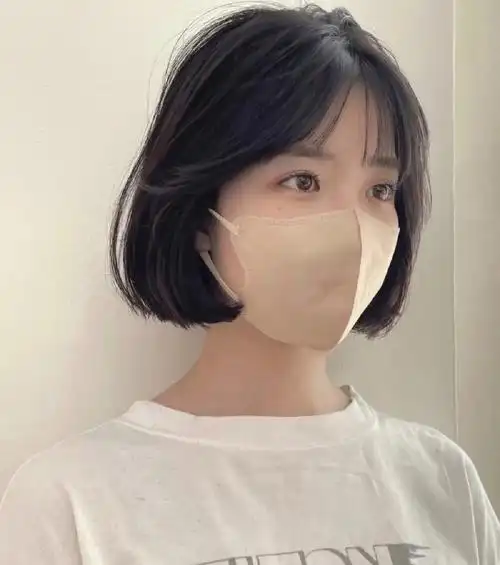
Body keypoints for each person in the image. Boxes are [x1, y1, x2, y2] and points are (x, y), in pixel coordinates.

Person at [1, 4, 499, 564]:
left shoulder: (443, 479)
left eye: (380, 190)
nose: (355, 227)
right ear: (199, 213)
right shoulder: (69, 500)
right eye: (302, 180)